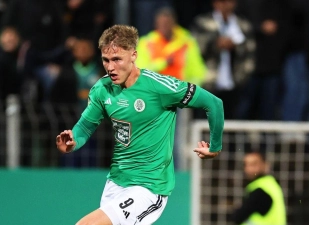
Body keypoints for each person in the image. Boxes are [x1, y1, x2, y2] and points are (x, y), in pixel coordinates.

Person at [55, 24, 224, 225]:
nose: (110, 67)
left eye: (117, 59)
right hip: (116, 183)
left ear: (133, 55)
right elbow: (85, 127)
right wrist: (73, 141)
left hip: (149, 188)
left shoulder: (159, 87)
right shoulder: (102, 89)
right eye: (106, 60)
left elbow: (213, 104)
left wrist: (215, 147)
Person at [191, 0, 255, 119]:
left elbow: (250, 52)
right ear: (215, 3)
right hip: (208, 83)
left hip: (236, 84)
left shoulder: (243, 25)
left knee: (232, 126)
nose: (225, 5)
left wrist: (236, 46)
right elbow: (193, 49)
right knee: (206, 126)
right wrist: (215, 45)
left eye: (229, 2)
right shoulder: (203, 23)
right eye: (222, 2)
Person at [135, 7, 206, 85]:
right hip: (154, 91)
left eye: (167, 23)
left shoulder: (187, 42)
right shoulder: (146, 43)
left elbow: (198, 72)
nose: (165, 27)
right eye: (162, 24)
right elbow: (140, 72)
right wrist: (163, 63)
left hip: (181, 91)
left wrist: (189, 91)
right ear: (156, 24)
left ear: (174, 23)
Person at [231, 151, 286, 225]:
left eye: (254, 164)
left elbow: (238, 217)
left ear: (265, 165)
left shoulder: (260, 190)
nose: (248, 169)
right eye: (246, 164)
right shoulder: (271, 184)